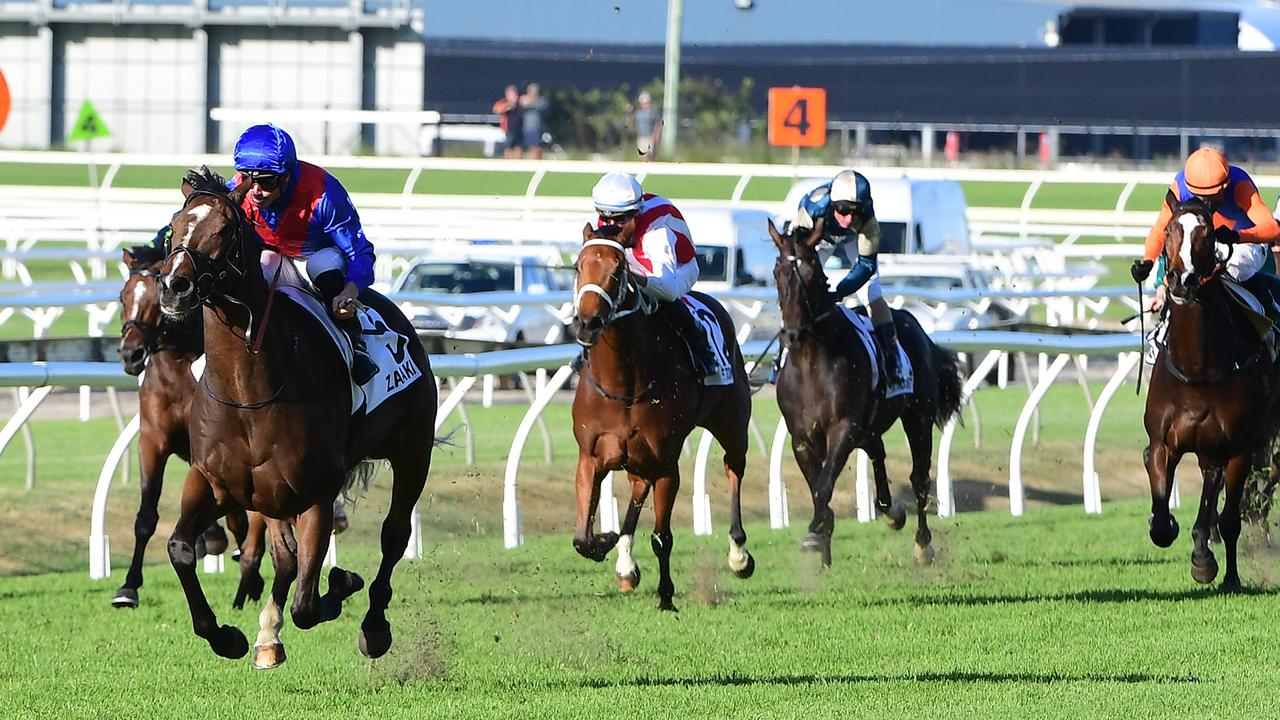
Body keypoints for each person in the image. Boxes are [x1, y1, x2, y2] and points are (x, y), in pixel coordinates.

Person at [229, 123, 379, 385]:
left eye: (266, 181)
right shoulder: (238, 190)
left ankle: (355, 343)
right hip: (276, 258)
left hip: (319, 257)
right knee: (262, 262)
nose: (255, 191)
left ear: (286, 177)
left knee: (320, 264)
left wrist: (349, 292)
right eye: (249, 178)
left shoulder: (324, 193)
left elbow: (360, 253)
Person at [589, 171, 719, 384]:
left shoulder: (657, 230)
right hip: (628, 262)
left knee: (663, 301)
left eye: (620, 219)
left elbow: (667, 287)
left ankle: (702, 351)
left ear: (635, 213)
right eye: (606, 217)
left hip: (678, 269)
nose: (612, 225)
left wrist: (630, 277)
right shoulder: (600, 222)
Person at [791, 169, 906, 387]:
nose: (849, 218)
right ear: (833, 203)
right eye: (843, 210)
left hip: (856, 238)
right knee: (797, 291)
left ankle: (893, 357)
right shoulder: (812, 208)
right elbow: (795, 253)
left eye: (856, 211)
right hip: (818, 238)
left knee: (873, 293)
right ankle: (783, 355)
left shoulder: (867, 221)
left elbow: (866, 265)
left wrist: (840, 291)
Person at [1131, 147, 1280, 314]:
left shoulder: (1240, 185)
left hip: (1246, 244)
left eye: (1210, 198)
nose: (1204, 204)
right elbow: (1160, 229)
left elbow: (1273, 228)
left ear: (1226, 185)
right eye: (1198, 196)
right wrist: (1148, 261)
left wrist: (1237, 236)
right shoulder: (1179, 188)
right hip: (1207, 242)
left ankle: (1268, 318)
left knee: (1236, 265)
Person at [493, 85, 524, 159]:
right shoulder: (504, 102)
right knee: (508, 147)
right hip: (509, 129)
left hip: (519, 129)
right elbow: (496, 110)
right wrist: (508, 106)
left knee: (518, 147)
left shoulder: (520, 103)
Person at [520, 83, 549, 161]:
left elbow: (541, 106)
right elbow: (523, 104)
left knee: (540, 147)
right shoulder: (524, 99)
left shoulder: (542, 100)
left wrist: (532, 101)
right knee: (532, 147)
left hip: (540, 128)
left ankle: (539, 162)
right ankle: (534, 162)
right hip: (529, 128)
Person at [632, 91, 662, 161]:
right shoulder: (638, 113)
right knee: (642, 155)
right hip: (641, 137)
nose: (645, 104)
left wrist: (656, 134)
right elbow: (633, 118)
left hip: (650, 137)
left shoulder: (653, 112)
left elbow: (658, 124)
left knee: (649, 155)